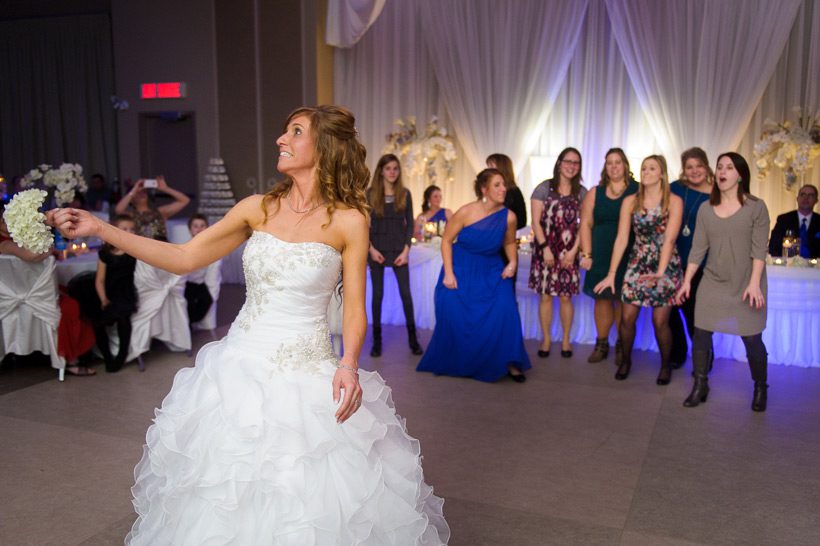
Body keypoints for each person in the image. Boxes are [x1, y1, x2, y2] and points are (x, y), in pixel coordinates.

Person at [50, 105, 449, 544]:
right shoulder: (256, 208)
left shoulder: (351, 221)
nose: (281, 139)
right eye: (284, 130)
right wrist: (102, 228)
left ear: (324, 148)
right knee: (226, 493)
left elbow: (355, 307)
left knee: (307, 499)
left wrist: (349, 364)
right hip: (237, 369)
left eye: (295, 131)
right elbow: (184, 258)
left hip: (309, 373)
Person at [417, 168, 531, 383]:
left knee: (506, 308)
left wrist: (513, 262)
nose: (503, 189)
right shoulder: (466, 212)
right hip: (462, 267)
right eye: (497, 185)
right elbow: (446, 240)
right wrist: (449, 273)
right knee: (450, 304)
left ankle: (510, 361)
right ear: (484, 189)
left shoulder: (509, 216)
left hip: (491, 269)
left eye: (503, 184)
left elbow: (508, 242)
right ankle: (462, 359)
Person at [676, 152, 770, 412]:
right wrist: (686, 281)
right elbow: (698, 249)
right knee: (701, 334)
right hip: (713, 282)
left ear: (740, 175)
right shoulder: (706, 208)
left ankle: (761, 386)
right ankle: (700, 384)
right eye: (719, 167)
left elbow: (759, 249)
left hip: (746, 282)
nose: (722, 172)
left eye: (729, 167)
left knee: (752, 340)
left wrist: (753, 284)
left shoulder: (756, 206)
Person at [594, 155, 683, 385]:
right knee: (627, 317)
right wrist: (612, 274)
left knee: (660, 321)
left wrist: (661, 273)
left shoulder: (674, 201)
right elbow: (622, 238)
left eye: (652, 168)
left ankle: (665, 366)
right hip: (638, 262)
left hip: (666, 264)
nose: (645, 172)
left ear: (662, 173)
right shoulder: (630, 201)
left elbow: (671, 239)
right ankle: (625, 361)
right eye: (643, 168)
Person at [579, 148, 638, 364]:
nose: (614, 166)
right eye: (609, 163)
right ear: (605, 167)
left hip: (629, 252)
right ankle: (601, 344)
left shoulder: (637, 190)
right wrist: (587, 253)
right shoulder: (596, 191)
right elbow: (585, 223)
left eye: (618, 162)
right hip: (601, 250)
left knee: (623, 298)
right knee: (602, 298)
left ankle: (623, 344)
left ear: (625, 165)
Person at [528, 147, 587, 358]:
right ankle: (545, 339)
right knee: (545, 297)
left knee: (565, 298)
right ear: (559, 163)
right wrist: (545, 249)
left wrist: (574, 251)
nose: (571, 166)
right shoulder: (543, 188)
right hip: (546, 250)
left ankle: (565, 341)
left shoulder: (582, 193)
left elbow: (586, 226)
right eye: (568, 161)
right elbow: (535, 222)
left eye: (576, 162)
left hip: (570, 252)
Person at [367, 154, 424, 357]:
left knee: (406, 296)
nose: (392, 172)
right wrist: (371, 250)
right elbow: (363, 227)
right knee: (377, 296)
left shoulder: (405, 194)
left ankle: (413, 340)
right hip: (376, 251)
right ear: (381, 170)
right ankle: (377, 342)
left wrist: (406, 251)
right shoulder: (370, 194)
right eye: (388, 168)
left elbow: (410, 226)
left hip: (400, 250)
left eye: (395, 168)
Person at [668, 148, 714, 369]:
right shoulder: (675, 188)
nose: (695, 171)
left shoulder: (718, 192)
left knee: (694, 311)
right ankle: (678, 352)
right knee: (669, 309)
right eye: (689, 167)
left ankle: (704, 355)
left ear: (706, 166)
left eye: (699, 166)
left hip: (703, 262)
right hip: (673, 258)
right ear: (683, 170)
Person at [94, 214, 138, 373]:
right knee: (98, 324)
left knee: (123, 318)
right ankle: (107, 356)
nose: (129, 231)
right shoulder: (105, 253)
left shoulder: (134, 252)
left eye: (132, 229)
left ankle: (122, 354)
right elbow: (99, 279)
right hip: (110, 292)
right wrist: (103, 298)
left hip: (126, 293)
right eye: (125, 228)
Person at [486, 153, 526, 290]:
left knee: (504, 287)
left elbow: (522, 220)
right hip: (489, 245)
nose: (487, 170)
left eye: (491, 166)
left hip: (505, 246)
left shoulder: (514, 192)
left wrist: (502, 225)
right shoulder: (488, 193)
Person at [115, 175, 190, 240]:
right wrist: (134, 190)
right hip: (140, 250)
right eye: (138, 193)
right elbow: (118, 210)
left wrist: (165, 188)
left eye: (144, 191)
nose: (141, 193)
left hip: (161, 249)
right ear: (131, 199)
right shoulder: (130, 216)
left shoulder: (160, 212)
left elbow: (184, 200)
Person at [183, 213, 221, 325]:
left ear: (207, 228)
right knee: (186, 303)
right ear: (190, 230)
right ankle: (187, 325)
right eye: (195, 226)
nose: (199, 229)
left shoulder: (211, 248)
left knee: (206, 300)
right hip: (187, 283)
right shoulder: (186, 246)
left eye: (202, 225)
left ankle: (194, 320)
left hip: (201, 283)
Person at [768, 184, 819, 258]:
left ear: (816, 200)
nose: (806, 198)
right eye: (802, 195)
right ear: (797, 199)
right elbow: (774, 245)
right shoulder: (784, 219)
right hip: (787, 266)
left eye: (810, 195)